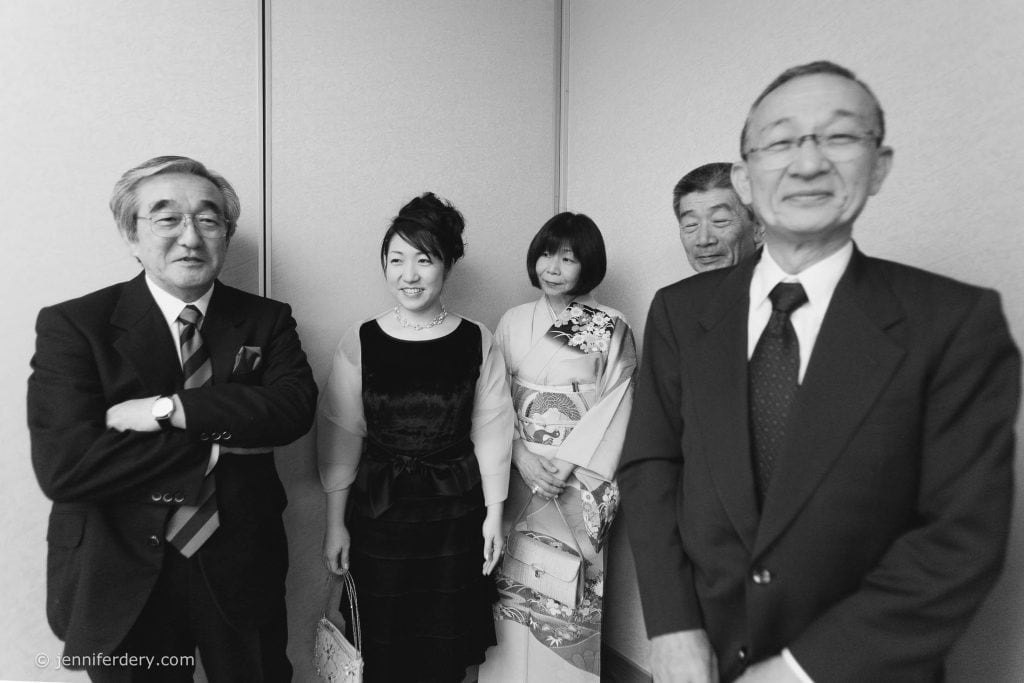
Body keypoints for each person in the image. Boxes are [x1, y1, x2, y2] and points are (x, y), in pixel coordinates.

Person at [619, 61, 1020, 682]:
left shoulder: (954, 322)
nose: (807, 164)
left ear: (878, 166)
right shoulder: (682, 312)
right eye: (779, 141)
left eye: (838, 137)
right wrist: (672, 625)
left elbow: (960, 535)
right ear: (746, 178)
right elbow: (652, 467)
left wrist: (803, 671)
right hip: (705, 661)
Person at [27, 156, 318, 681]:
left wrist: (169, 410)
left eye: (208, 220)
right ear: (130, 235)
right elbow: (65, 466)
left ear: (226, 233)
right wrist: (215, 447)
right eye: (167, 219)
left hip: (240, 561)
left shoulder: (266, 319)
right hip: (118, 568)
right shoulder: (75, 325)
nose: (191, 236)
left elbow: (292, 411)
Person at [318, 192, 513, 682]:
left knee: (446, 639)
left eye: (424, 260)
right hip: (380, 514)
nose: (409, 274)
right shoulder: (360, 338)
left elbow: (492, 430)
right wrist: (335, 524)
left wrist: (494, 515)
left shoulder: (477, 338)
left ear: (447, 266)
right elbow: (342, 437)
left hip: (456, 513)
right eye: (396, 259)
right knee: (381, 639)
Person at [478, 212, 637, 683]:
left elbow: (619, 401)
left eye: (568, 258)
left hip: (578, 476)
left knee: (568, 590)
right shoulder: (512, 320)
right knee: (510, 583)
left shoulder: (609, 323)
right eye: (547, 254)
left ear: (588, 265)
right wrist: (522, 456)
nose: (553, 267)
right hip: (518, 467)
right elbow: (492, 398)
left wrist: (565, 465)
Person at [673, 162, 760, 272]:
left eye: (720, 221)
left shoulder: (786, 286)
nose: (703, 240)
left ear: (758, 228)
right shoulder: (675, 290)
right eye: (691, 225)